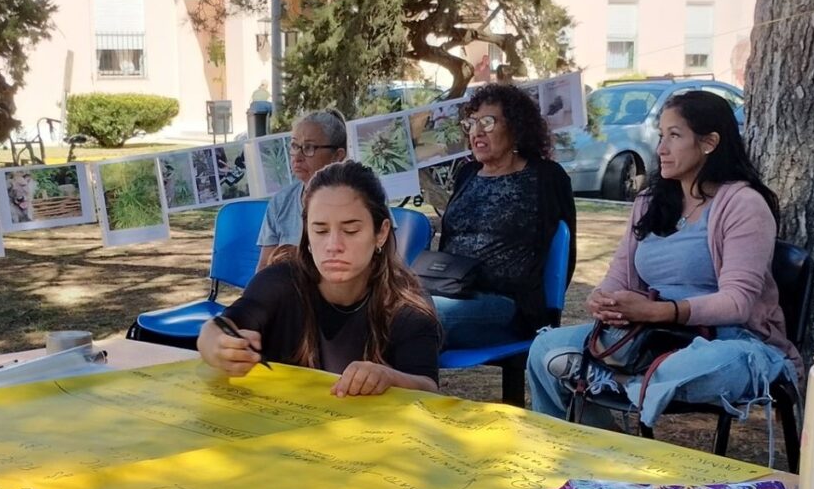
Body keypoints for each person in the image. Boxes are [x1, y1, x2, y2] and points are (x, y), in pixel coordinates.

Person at [526, 90, 803, 429]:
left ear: (709, 142)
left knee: (682, 370)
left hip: (731, 340)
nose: (661, 149)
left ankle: (616, 380)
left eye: (674, 136)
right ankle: (603, 447)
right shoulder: (649, 201)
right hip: (651, 335)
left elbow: (738, 303)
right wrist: (605, 299)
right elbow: (620, 275)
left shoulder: (744, 204)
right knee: (543, 348)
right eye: (661, 136)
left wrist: (664, 311)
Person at [198, 161, 442, 396]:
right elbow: (219, 328)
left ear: (381, 233)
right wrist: (217, 347)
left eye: (350, 230)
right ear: (306, 231)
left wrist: (390, 378)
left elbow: (429, 388)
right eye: (321, 230)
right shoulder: (279, 283)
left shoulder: (407, 304)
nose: (333, 246)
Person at [434, 83, 577, 349]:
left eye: (487, 122)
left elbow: (565, 254)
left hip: (508, 303)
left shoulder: (545, 177)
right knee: (387, 308)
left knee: (420, 315)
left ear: (515, 127)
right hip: (452, 291)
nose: (476, 131)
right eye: (471, 123)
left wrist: (548, 308)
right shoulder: (466, 175)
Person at [256, 109, 347, 271]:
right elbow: (263, 268)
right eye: (294, 146)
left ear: (338, 155)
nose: (297, 156)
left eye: (309, 147)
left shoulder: (361, 199)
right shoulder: (281, 201)